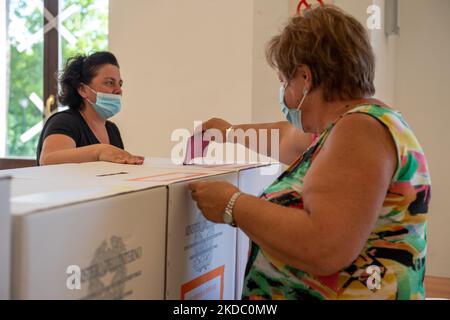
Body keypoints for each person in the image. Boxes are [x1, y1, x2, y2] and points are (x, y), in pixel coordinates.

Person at [189, 5, 431, 300]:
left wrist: (232, 205)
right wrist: (228, 132)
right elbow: (287, 140)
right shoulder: (348, 126)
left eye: (283, 81)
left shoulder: (360, 131)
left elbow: (325, 245)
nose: (283, 94)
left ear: (305, 78)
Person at [36, 51, 144, 166]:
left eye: (120, 84)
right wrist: (99, 151)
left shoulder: (112, 130)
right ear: (83, 89)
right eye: (109, 83)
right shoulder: (64, 122)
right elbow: (48, 160)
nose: (119, 90)